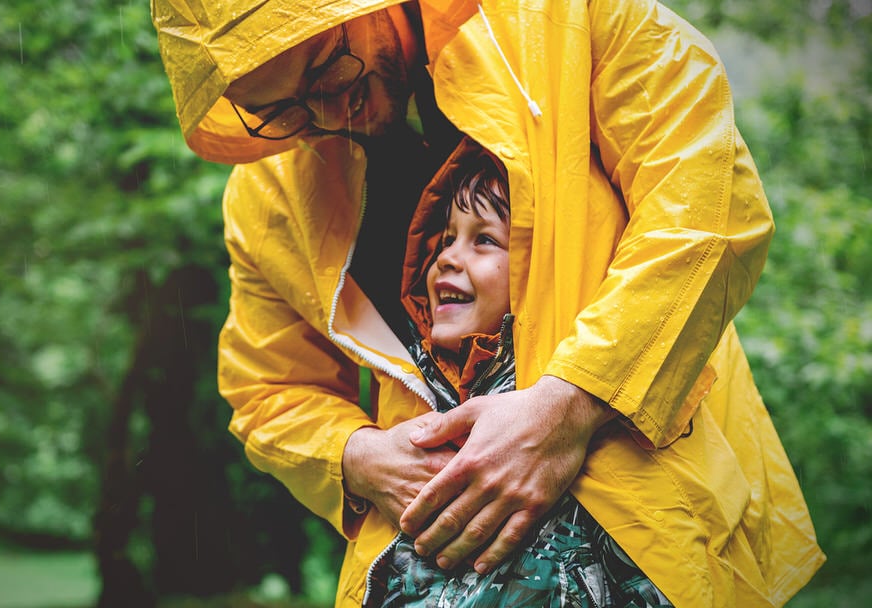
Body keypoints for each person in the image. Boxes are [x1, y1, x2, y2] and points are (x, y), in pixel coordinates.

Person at [151, 1, 825, 606]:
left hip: (651, 543)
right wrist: (357, 457)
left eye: (327, 71)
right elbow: (268, 388)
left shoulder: (577, 19)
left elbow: (706, 214)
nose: (328, 116)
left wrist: (571, 405)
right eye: (283, 112)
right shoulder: (266, 195)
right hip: (428, 575)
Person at [365, 137, 672, 607]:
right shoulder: (415, 384)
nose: (446, 257)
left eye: (483, 240)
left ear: (538, 271)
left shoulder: (589, 403)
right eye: (446, 238)